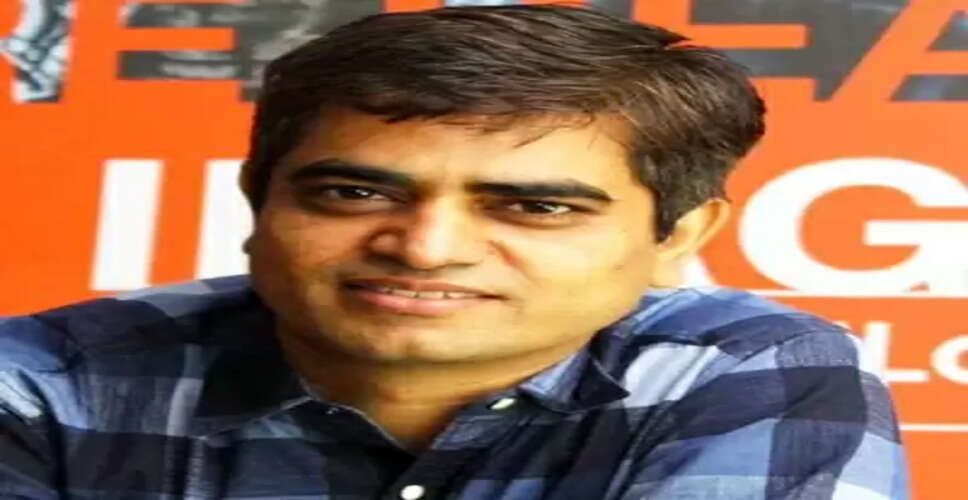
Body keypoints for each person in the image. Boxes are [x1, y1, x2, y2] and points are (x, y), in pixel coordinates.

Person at [0, 5, 909, 499]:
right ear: (258, 199)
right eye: (354, 194)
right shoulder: (38, 380)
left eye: (535, 208)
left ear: (677, 237)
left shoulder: (751, 369)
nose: (425, 249)